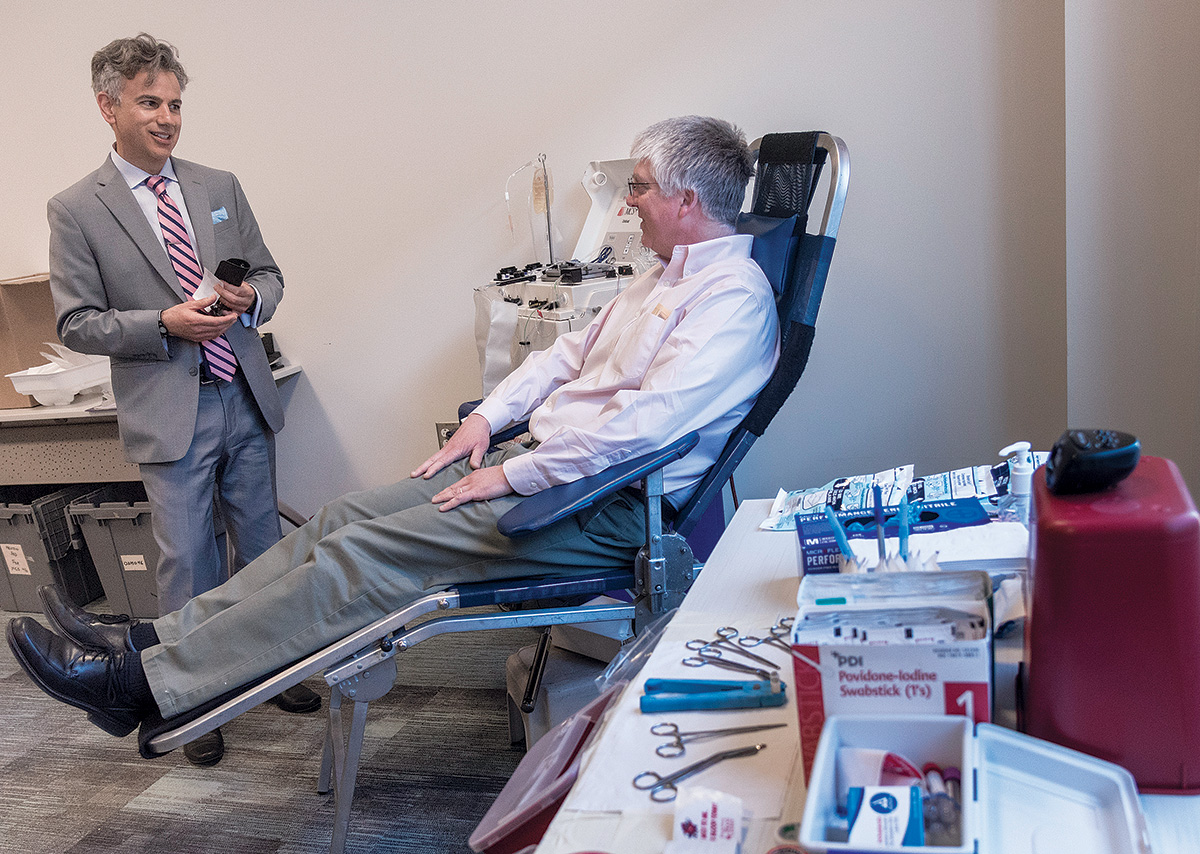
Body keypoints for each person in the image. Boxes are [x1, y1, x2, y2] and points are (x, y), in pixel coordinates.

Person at [8, 115, 781, 747]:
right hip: (550, 470)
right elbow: (563, 357)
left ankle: (136, 687)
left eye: (639, 189)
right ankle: (149, 641)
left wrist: (509, 475)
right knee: (343, 518)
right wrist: (483, 423)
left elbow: (639, 432)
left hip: (599, 505)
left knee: (362, 558)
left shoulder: (731, 301)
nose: (628, 204)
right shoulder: (659, 277)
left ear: (684, 196)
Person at [40, 33, 319, 765]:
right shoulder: (75, 209)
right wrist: (162, 322)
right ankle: (194, 699)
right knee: (187, 566)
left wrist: (251, 294)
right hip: (172, 412)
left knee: (264, 552)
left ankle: (273, 669)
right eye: (149, 103)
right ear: (109, 108)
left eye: (174, 103)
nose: (167, 117)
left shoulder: (217, 185)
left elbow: (270, 273)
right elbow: (76, 323)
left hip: (243, 393)